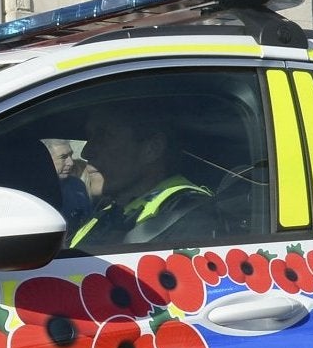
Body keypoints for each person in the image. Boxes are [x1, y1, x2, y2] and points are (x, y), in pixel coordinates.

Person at [67, 105, 210, 253]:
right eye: (90, 137)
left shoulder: (192, 214)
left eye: (104, 136)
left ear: (152, 149)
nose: (86, 152)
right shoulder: (108, 214)